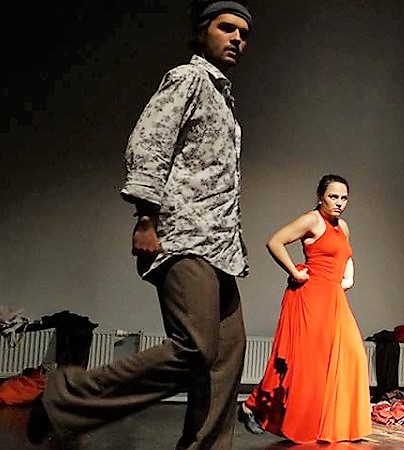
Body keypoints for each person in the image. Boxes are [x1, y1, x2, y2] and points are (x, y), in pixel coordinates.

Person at [26, 2, 254, 448]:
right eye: (227, 28)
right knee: (196, 347)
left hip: (222, 246)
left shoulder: (223, 98)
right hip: (183, 237)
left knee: (227, 355)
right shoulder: (187, 79)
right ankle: (65, 399)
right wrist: (145, 219)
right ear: (202, 32)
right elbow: (149, 144)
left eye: (244, 34)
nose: (236, 39)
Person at [237, 174, 373, 444]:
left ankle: (338, 425)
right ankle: (252, 406)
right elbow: (275, 242)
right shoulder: (312, 220)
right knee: (305, 364)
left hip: (334, 299)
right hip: (311, 298)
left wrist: (349, 277)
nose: (339, 203)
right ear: (321, 197)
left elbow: (346, 254)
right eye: (333, 197)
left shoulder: (343, 226)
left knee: (352, 355)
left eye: (344, 198)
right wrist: (294, 272)